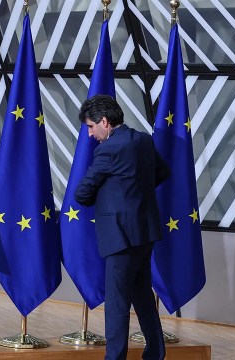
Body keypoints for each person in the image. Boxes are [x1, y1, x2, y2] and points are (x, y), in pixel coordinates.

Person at [75, 94, 169, 360]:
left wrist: (115, 194)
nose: (91, 134)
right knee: (142, 298)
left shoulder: (108, 149)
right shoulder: (143, 140)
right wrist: (133, 193)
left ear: (104, 121)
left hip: (119, 236)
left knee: (117, 304)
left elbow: (82, 193)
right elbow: (162, 173)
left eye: (91, 127)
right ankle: (155, 354)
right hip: (145, 232)